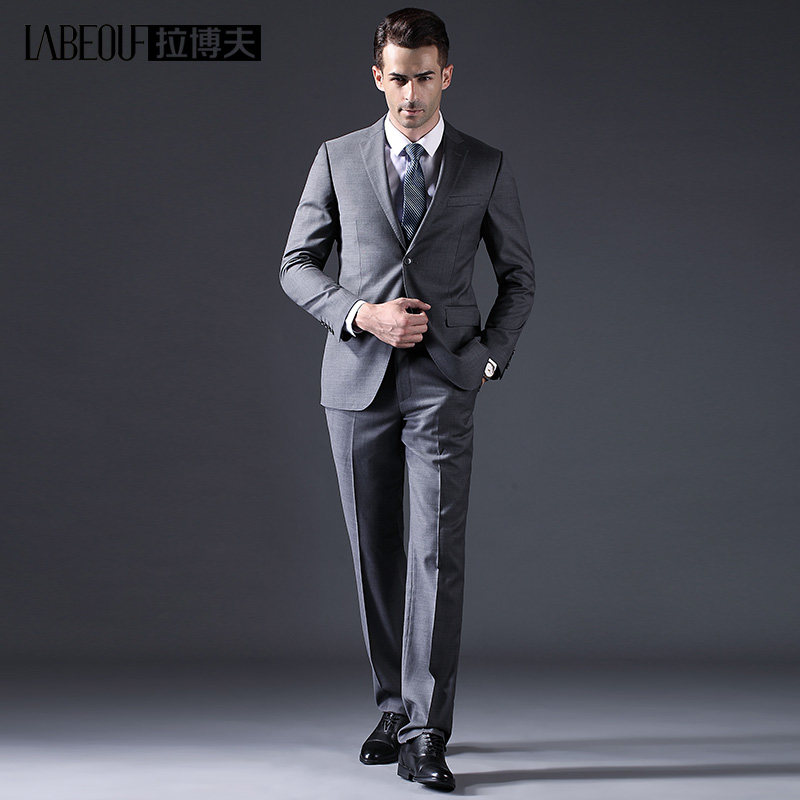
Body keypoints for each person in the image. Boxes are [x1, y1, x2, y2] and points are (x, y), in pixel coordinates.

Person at [279, 7, 535, 792]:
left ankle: (427, 732)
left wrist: (488, 357)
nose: (411, 94)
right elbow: (296, 264)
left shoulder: (483, 164)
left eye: (425, 77)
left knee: (433, 553)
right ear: (377, 77)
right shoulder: (337, 157)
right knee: (376, 551)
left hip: (443, 383)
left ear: (446, 75)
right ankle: (392, 708)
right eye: (398, 78)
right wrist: (361, 314)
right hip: (356, 383)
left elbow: (519, 277)